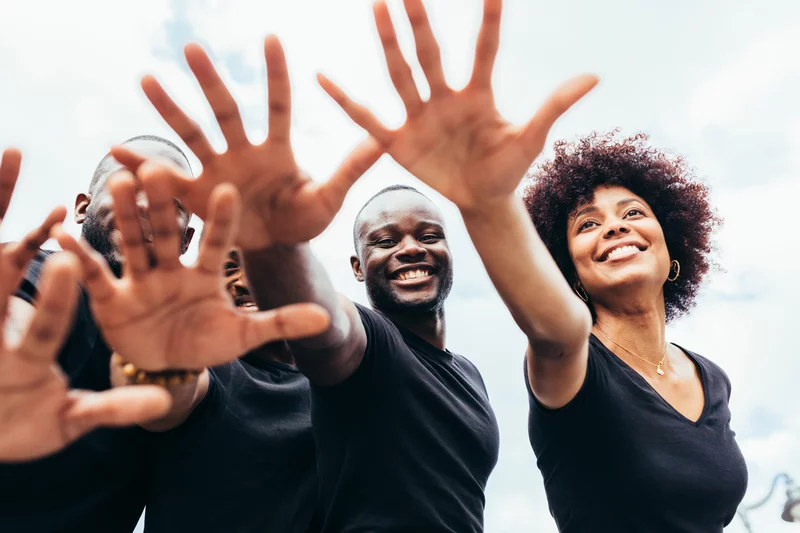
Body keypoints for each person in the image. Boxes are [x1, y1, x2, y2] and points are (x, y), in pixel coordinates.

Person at [120, 17, 499, 530]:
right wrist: (265, 242)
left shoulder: (349, 388)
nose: (246, 280)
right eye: (228, 266)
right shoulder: (219, 371)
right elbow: (171, 396)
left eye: (429, 235)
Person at [1, 136, 329, 533]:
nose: (145, 206)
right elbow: (19, 309)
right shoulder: (43, 272)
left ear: (186, 240)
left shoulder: (186, 345)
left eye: (172, 204)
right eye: (129, 187)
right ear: (82, 207)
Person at [518, 131, 748, 532]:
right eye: (588, 223)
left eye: (633, 213)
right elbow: (540, 316)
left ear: (671, 242)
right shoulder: (569, 357)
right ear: (568, 272)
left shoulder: (712, 377)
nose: (614, 228)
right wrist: (487, 202)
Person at [134, 248, 321, 533]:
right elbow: (167, 389)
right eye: (228, 268)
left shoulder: (329, 385)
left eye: (264, 266)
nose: (245, 282)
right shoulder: (208, 366)